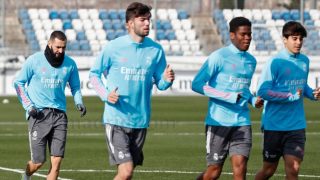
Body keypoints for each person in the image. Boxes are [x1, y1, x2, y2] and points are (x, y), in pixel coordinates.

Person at [89, 2, 174, 180]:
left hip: (140, 121)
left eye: (149, 20)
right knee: (126, 171)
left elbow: (160, 84)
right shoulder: (114, 47)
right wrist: (106, 95)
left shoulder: (156, 50)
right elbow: (94, 75)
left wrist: (167, 79)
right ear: (129, 23)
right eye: (142, 20)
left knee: (127, 173)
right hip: (116, 119)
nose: (147, 24)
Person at [192, 16, 264, 180]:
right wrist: (228, 96)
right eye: (243, 34)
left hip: (242, 122)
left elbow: (243, 89)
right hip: (218, 122)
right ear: (232, 35)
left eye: (249, 34)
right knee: (214, 172)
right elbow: (197, 84)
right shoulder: (219, 57)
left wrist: (253, 100)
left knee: (240, 169)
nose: (247, 38)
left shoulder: (251, 61)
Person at [14, 30, 87, 180]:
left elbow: (75, 87)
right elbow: (18, 83)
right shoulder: (34, 60)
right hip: (38, 114)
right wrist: (29, 106)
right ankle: (26, 175)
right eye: (57, 47)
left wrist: (79, 102)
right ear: (49, 44)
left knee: (56, 162)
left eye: (63, 47)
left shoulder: (70, 64)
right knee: (38, 162)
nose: (60, 51)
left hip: (60, 115)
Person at [255, 21, 320, 180]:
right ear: (285, 39)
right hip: (274, 125)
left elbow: (301, 86)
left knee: (293, 169)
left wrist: (313, 94)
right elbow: (262, 91)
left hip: (296, 125)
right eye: (294, 38)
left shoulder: (304, 61)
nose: (298, 42)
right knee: (268, 170)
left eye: (301, 39)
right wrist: (289, 96)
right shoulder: (274, 62)